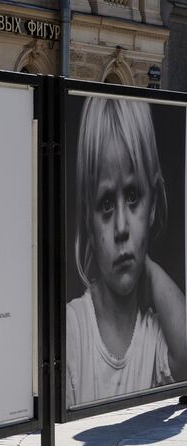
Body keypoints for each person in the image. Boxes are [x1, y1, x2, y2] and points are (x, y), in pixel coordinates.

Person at [66, 97, 187, 406]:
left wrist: (144, 263)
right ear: (88, 223)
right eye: (106, 204)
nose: (121, 227)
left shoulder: (154, 333)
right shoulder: (74, 330)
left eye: (133, 196)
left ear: (154, 204)